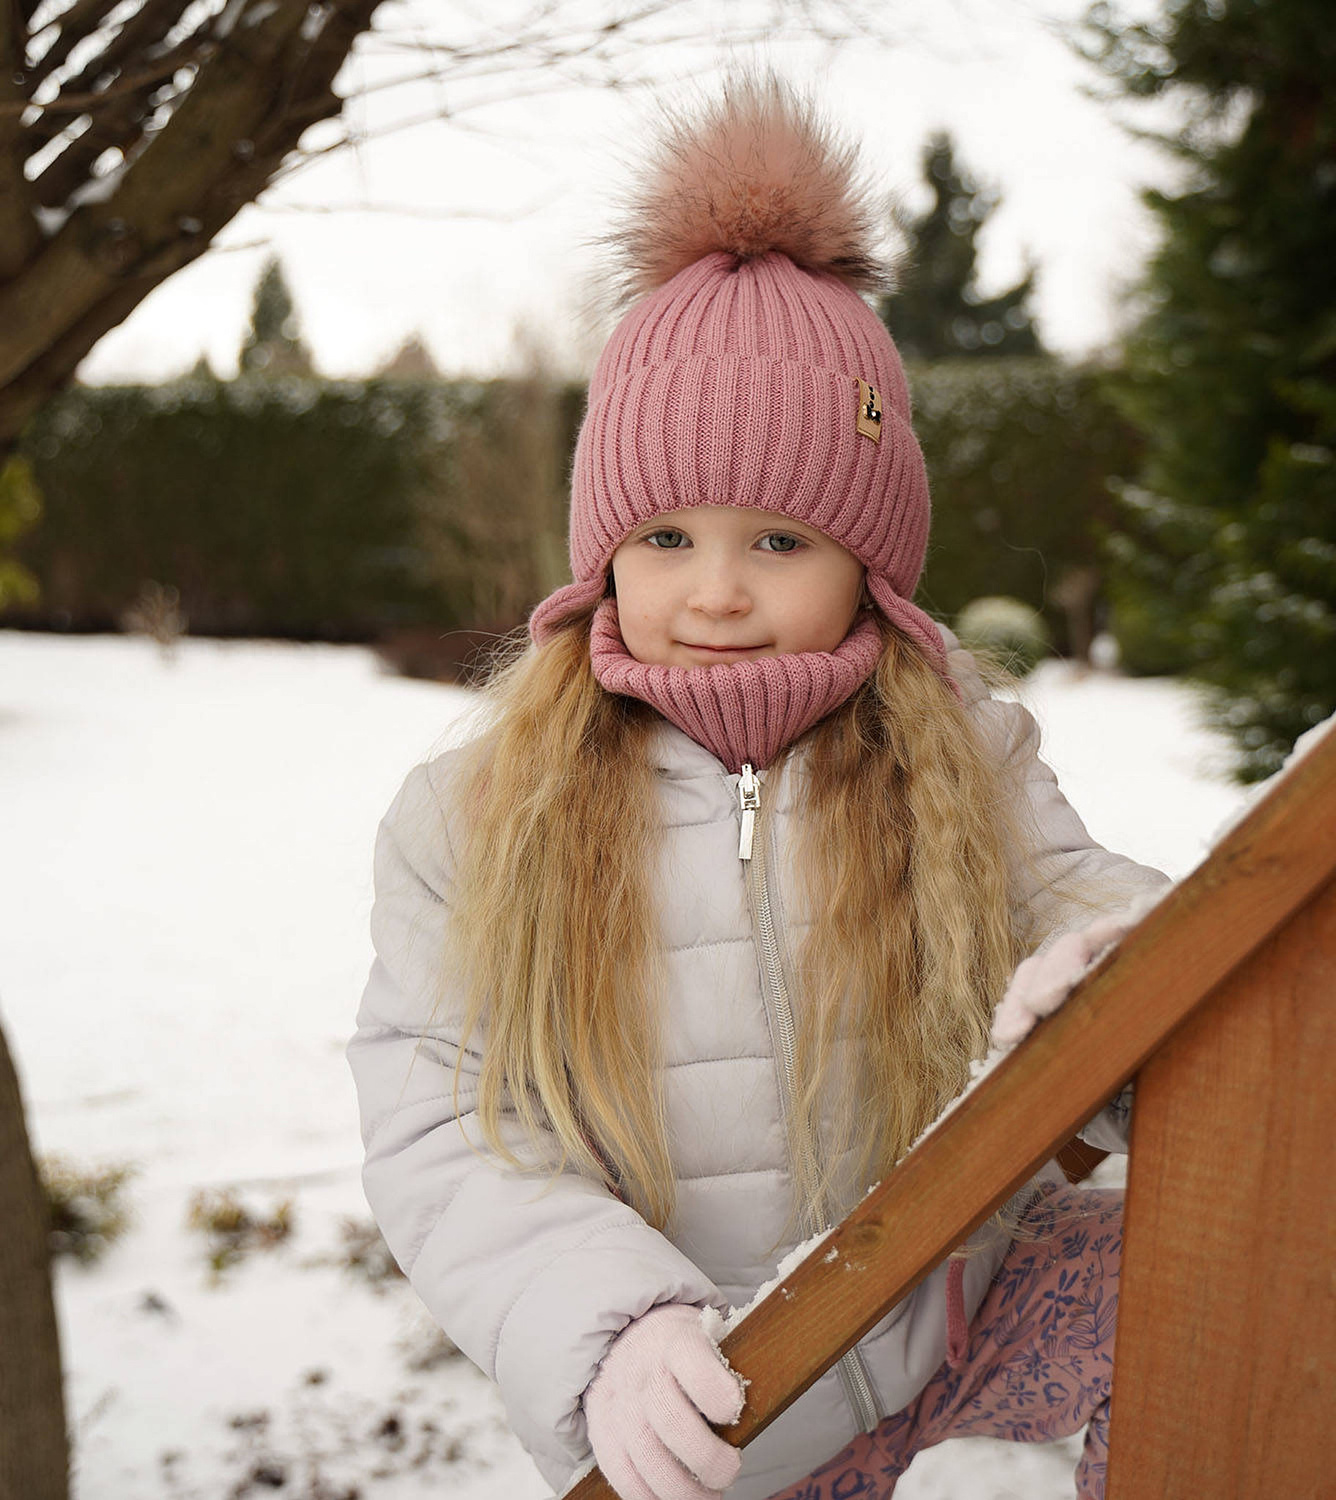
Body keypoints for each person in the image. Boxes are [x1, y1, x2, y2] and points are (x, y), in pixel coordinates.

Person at [348, 80, 1168, 1500]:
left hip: (963, 1349)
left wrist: (1099, 981)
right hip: (712, 1415)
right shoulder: (479, 817)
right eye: (665, 535)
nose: (715, 595)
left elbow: (1095, 912)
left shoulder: (959, 760)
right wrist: (602, 1326)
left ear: (870, 553)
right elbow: (445, 1119)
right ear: (604, 548)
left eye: (779, 538)